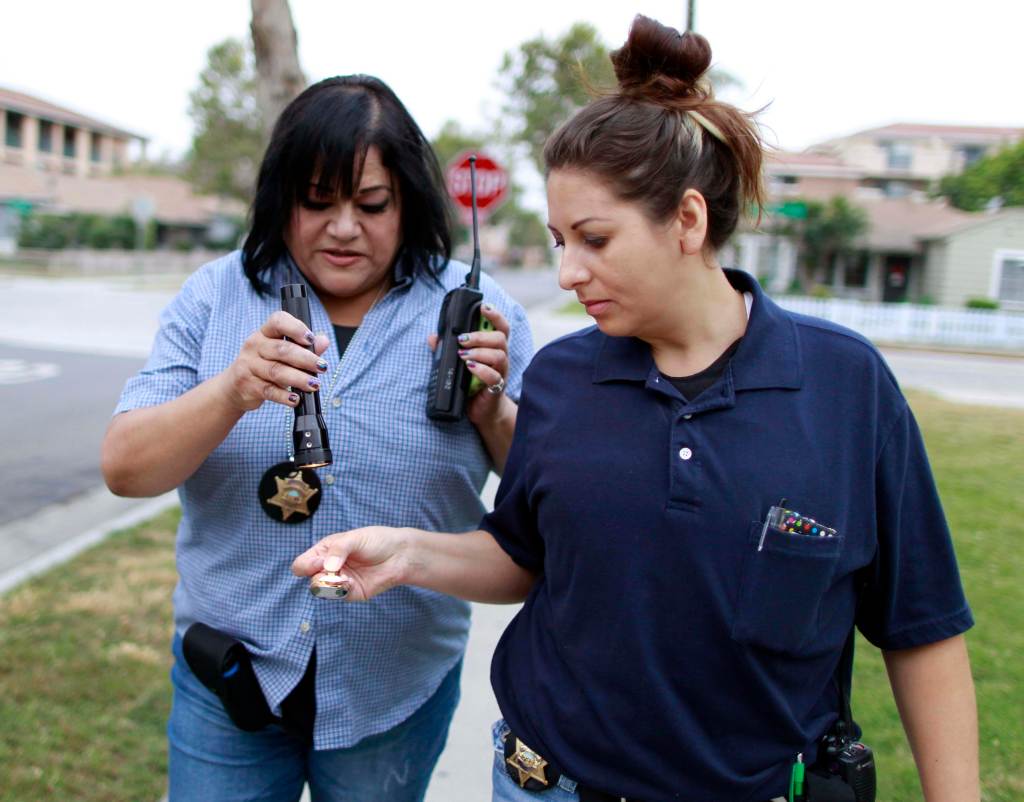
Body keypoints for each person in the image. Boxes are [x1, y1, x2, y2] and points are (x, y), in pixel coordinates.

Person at [291, 17, 980, 802]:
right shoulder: (560, 378)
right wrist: (409, 555)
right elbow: (525, 555)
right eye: (557, 240)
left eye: (593, 239)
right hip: (546, 783)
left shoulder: (845, 386)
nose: (567, 273)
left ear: (687, 221)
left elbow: (920, 625)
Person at [101, 74, 532, 802]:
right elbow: (124, 466)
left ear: (409, 203)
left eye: (371, 205)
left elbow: (542, 504)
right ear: (281, 199)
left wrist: (492, 412)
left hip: (394, 688)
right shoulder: (215, 296)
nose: (342, 228)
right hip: (228, 681)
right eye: (317, 201)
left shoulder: (482, 312)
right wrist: (232, 391)